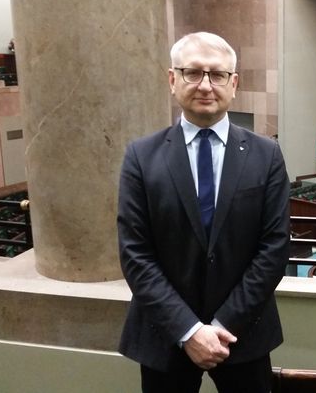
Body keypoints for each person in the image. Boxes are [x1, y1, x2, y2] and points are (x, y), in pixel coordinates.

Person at [117, 32, 290, 393]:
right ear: (172, 79)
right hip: (165, 335)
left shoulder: (266, 155)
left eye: (218, 74)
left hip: (243, 334)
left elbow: (274, 248)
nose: (206, 85)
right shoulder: (141, 157)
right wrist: (189, 330)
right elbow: (135, 254)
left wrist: (225, 324)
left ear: (234, 83)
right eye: (193, 73)